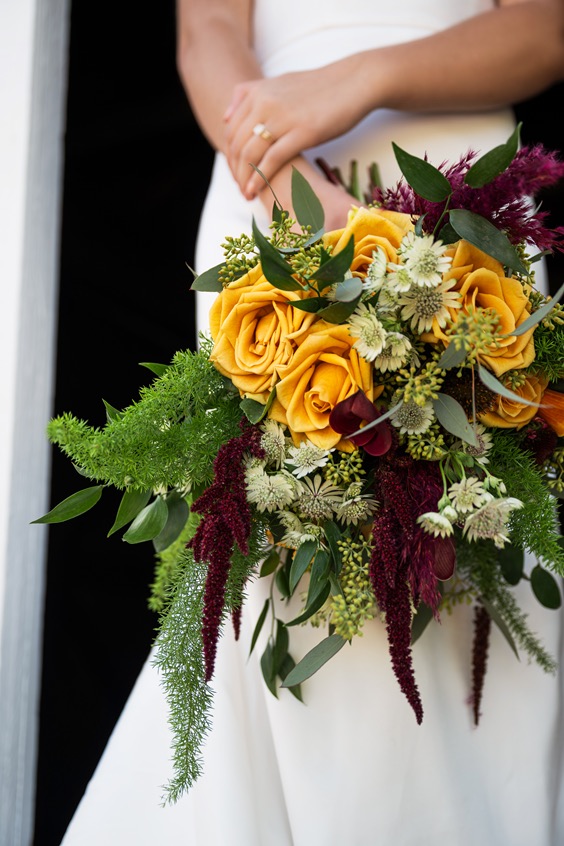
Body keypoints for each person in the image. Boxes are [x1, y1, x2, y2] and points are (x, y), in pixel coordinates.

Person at [59, 1, 564, 844]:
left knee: (471, 558)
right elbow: (207, 34)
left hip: (457, 190)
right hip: (275, 177)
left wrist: (355, 82)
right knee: (294, 564)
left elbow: (544, 30)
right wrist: (281, 160)